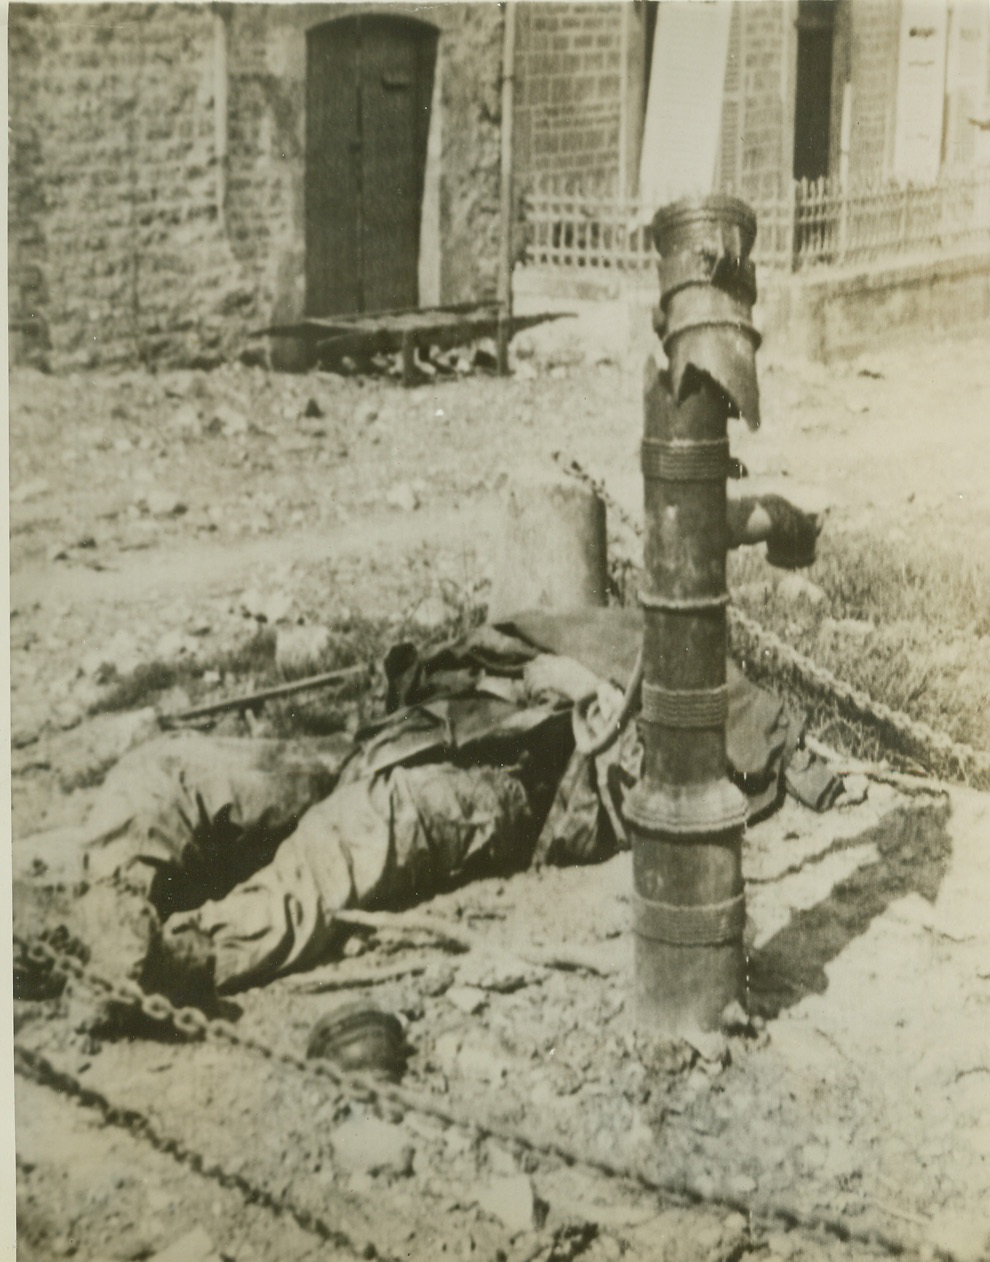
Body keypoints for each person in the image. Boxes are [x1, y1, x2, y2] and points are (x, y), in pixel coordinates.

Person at [15, 492, 822, 1008]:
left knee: (345, 848)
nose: (687, 589)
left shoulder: (726, 692)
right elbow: (697, 524)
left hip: (498, 788)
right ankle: (110, 903)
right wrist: (566, 672)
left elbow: (731, 771)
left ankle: (176, 963)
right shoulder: (604, 624)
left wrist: (611, 738)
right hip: (400, 732)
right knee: (175, 765)